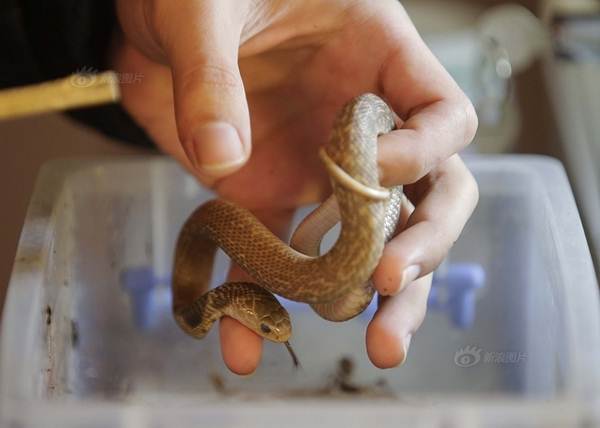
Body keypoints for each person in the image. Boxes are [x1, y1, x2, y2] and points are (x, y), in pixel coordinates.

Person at [2, 0, 478, 375]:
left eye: (269, 324)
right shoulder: (214, 299)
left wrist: (109, 31)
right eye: (267, 326)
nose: (276, 332)